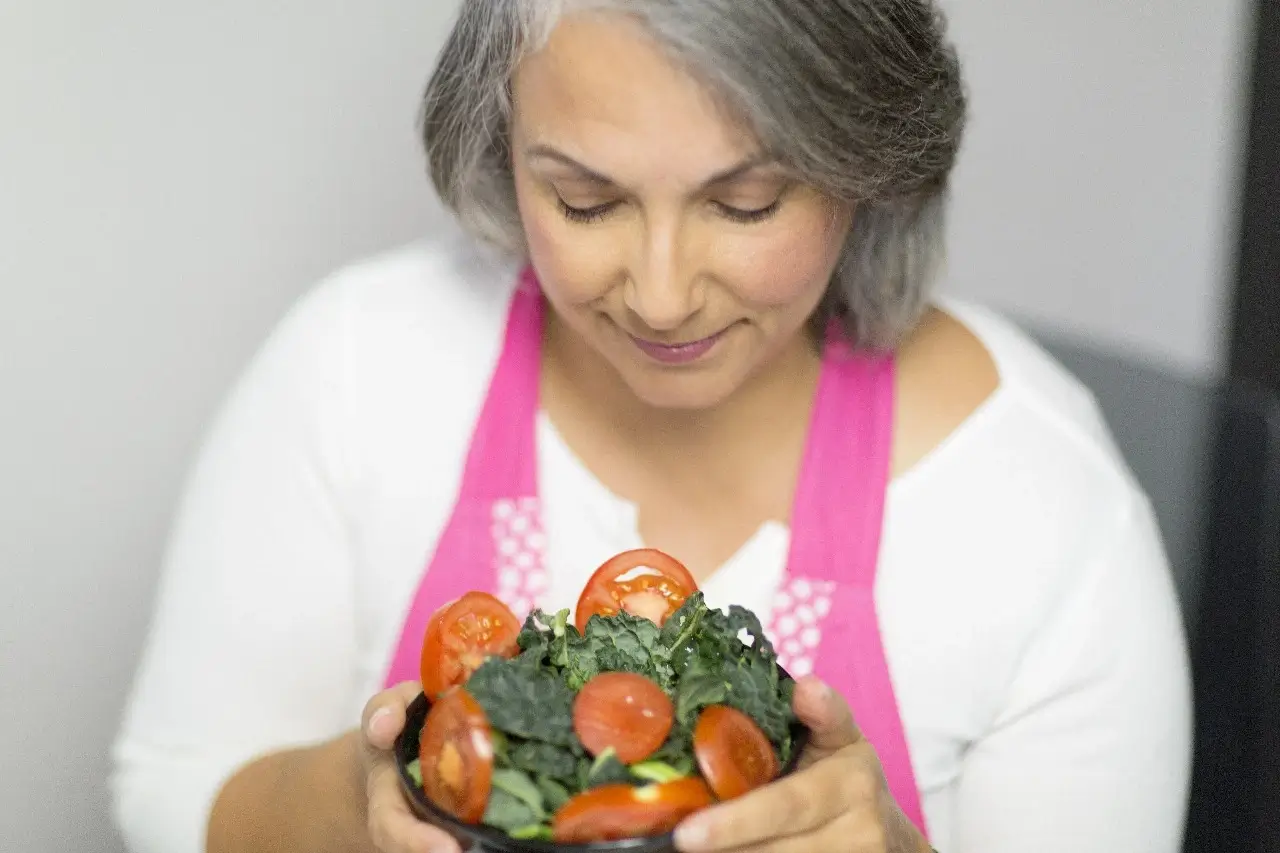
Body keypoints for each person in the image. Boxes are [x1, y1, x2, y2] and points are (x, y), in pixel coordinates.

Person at [110, 3, 1193, 852]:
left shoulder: (1046, 510)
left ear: (865, 164)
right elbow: (169, 783)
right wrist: (350, 812)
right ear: (500, 145)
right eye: (584, 201)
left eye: (747, 202)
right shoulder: (353, 366)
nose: (662, 296)